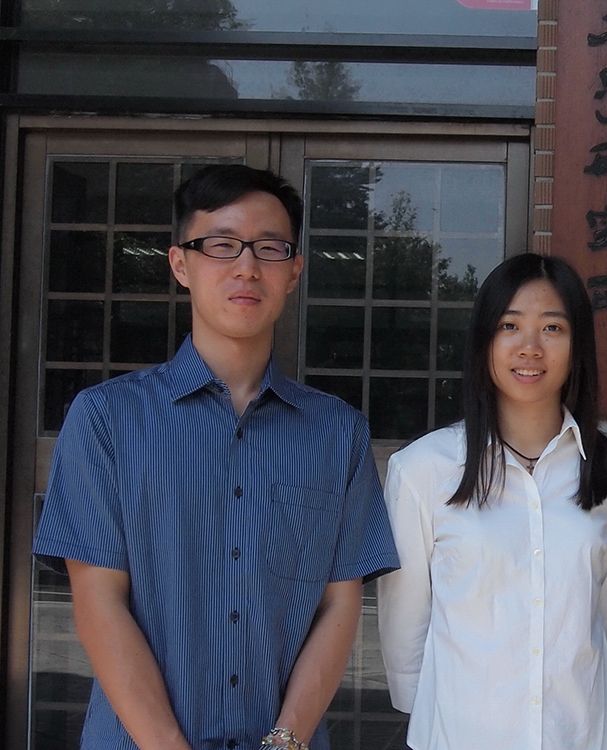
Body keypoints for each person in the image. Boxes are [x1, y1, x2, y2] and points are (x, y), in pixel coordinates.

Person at [33, 164, 399, 750]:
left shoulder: (338, 432)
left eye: (270, 248)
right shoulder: (106, 419)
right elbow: (99, 602)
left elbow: (340, 603)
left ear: (294, 271)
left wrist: (285, 740)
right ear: (181, 264)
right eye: (222, 245)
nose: (247, 267)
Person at [377, 253, 607, 750]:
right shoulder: (423, 469)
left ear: (578, 345)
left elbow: (599, 614)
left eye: (552, 328)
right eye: (509, 326)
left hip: (578, 735)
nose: (530, 348)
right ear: (484, 341)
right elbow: (405, 626)